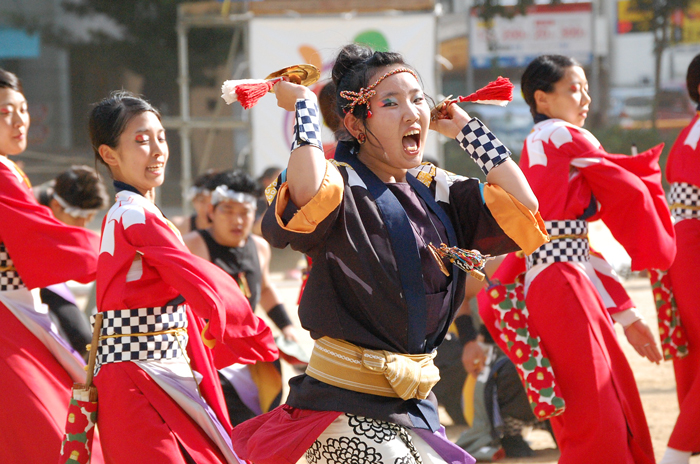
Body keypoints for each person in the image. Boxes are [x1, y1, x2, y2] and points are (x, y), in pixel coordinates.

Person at [230, 43, 548, 464]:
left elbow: (524, 204)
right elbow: (304, 192)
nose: (412, 111)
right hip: (340, 405)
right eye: (392, 102)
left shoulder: (437, 188)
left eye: (418, 99)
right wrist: (305, 106)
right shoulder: (337, 182)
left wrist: (469, 131)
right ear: (356, 123)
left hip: (412, 404)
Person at [90, 90, 278, 463]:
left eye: (161, 137)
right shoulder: (136, 215)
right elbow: (200, 281)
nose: (158, 150)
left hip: (148, 371)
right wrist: (254, 334)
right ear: (109, 155)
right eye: (141, 141)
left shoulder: (132, 211)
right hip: (138, 376)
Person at [513, 54, 675, 463]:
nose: (584, 97)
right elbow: (628, 189)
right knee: (600, 411)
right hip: (563, 282)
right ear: (542, 99)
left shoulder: (539, 142)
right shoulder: (562, 134)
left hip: (559, 277)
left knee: (593, 409)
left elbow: (577, 246)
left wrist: (628, 316)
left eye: (585, 88)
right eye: (574, 88)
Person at [0, 68, 104, 463]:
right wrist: (115, 251)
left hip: (16, 312)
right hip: (7, 320)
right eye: (6, 112)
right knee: (49, 432)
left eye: (23, 109)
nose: (20, 120)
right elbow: (46, 241)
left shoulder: (10, 171)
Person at [183, 169, 300, 425]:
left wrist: (287, 326)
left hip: (250, 354)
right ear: (211, 212)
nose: (237, 220)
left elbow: (266, 288)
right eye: (228, 210)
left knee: (256, 425)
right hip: (209, 356)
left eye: (244, 212)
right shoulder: (193, 246)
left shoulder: (259, 247)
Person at [659, 53, 700, 464]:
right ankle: (674, 456)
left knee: (694, 358)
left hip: (685, 241)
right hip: (694, 240)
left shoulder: (692, 130)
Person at [34, 165, 108, 357]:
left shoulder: (59, 202)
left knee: (83, 341)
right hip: (21, 284)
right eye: (79, 217)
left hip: (48, 277)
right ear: (57, 206)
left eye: (89, 218)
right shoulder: (29, 208)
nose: (83, 226)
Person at [172, 169, 219, 234]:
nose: (207, 207)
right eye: (202, 200)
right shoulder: (178, 227)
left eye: (213, 202)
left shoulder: (232, 231)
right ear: (193, 199)